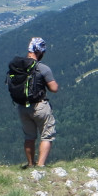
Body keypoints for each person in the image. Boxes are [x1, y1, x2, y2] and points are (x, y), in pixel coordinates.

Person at [15, 37, 58, 167]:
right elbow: (54, 88)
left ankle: (30, 164)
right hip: (39, 106)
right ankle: (40, 165)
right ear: (39, 51)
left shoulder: (17, 66)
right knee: (46, 135)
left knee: (29, 137)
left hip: (22, 106)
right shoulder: (43, 68)